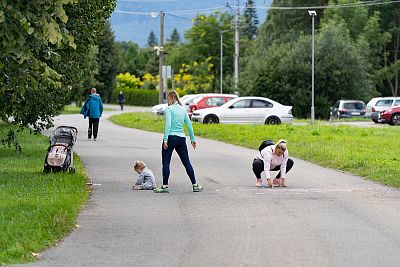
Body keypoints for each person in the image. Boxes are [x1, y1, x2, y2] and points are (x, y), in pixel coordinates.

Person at [153, 91, 203, 193]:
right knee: (186, 162)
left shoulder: (169, 109)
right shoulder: (183, 110)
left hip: (171, 137)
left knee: (166, 162)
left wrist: (165, 140)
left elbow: (168, 125)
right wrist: (192, 140)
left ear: (170, 98)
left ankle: (165, 187)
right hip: (181, 138)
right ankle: (195, 185)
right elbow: (189, 125)